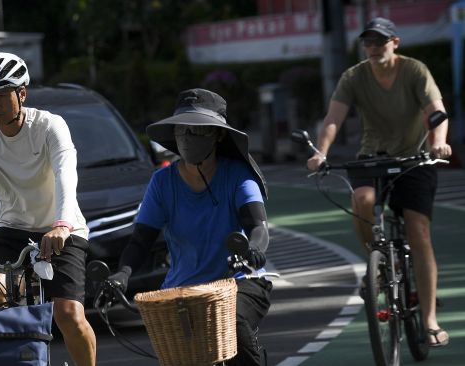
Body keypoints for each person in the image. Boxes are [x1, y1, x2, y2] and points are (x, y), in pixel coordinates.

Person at [0, 52, 96, 365]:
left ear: (21, 94)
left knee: (68, 314)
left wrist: (62, 225)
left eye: (1, 96)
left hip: (62, 228)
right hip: (12, 228)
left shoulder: (51, 126)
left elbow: (67, 175)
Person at [306, 17, 451, 347]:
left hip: (415, 158)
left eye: (379, 42)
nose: (372, 48)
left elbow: (436, 111)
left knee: (419, 231)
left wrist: (438, 141)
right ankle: (378, 267)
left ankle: (429, 319)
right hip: (374, 155)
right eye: (367, 43)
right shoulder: (354, 77)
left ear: (394, 43)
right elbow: (333, 119)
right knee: (362, 201)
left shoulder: (415, 71)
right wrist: (321, 152)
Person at [108, 88, 272, 366]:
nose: (187, 137)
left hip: (238, 283)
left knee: (234, 322)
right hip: (182, 290)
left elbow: (257, 225)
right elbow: (140, 241)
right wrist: (122, 274)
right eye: (182, 130)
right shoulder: (162, 182)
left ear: (218, 135)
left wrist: (254, 249)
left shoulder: (238, 175)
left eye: (197, 130)